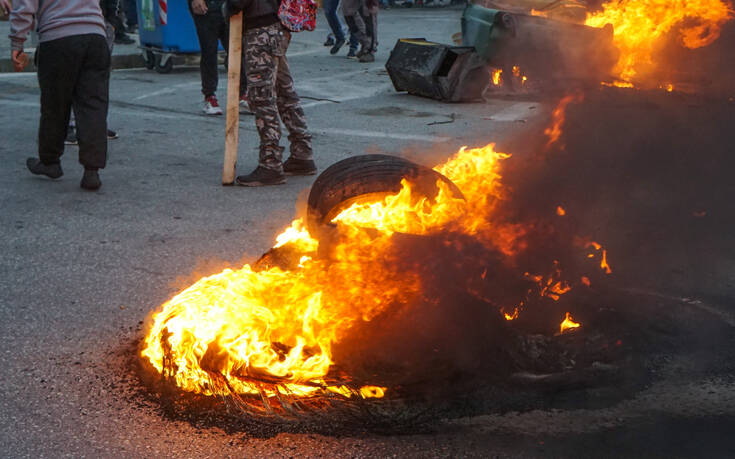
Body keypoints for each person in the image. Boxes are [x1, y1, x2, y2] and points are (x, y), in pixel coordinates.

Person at [10, 0, 111, 190]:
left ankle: (50, 162)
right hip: (95, 35)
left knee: (55, 104)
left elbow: (25, 4)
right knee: (93, 106)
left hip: (58, 37)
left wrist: (17, 41)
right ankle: (92, 170)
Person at [228, 0, 315, 186]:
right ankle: (302, 154)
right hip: (277, 27)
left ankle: (270, 164)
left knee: (262, 97)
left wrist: (229, 6)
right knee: (284, 92)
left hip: (262, 30)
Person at [189, 0, 246, 115]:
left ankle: (243, 94)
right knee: (209, 51)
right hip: (207, 6)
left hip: (232, 5)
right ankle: (210, 96)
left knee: (238, 49)